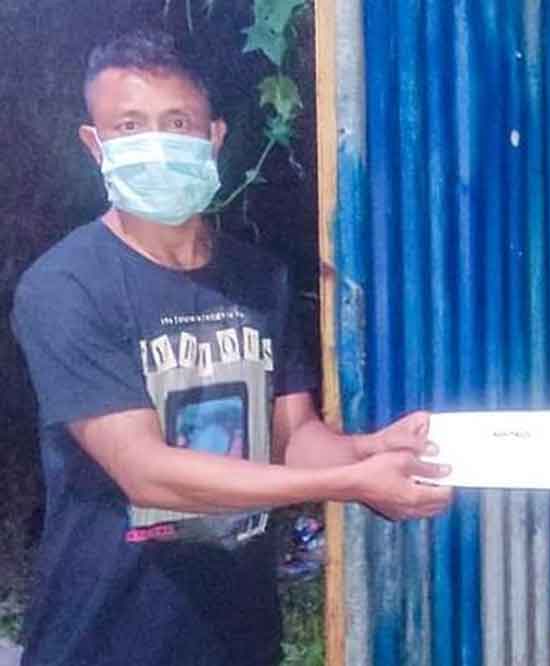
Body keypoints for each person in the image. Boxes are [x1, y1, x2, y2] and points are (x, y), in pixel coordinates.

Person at [10, 30, 452, 665]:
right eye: (129, 125)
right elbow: (145, 470)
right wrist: (351, 480)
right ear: (95, 144)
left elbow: (292, 435)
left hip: (238, 637)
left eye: (177, 122)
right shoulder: (65, 286)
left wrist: (369, 449)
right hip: (103, 639)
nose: (156, 143)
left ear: (213, 137)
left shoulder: (259, 277)